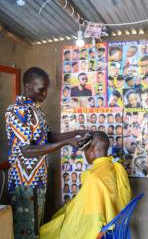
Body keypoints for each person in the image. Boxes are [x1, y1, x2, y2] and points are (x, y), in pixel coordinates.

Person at [5, 67, 88, 238]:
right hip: (24, 183)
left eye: (46, 89)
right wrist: (66, 142)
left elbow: (48, 137)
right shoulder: (17, 111)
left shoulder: (35, 110)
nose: (44, 94)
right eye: (40, 89)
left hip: (38, 179)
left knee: (36, 228)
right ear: (28, 87)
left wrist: (75, 133)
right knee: (26, 231)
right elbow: (26, 150)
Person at [39, 132, 132, 239]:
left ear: (91, 150)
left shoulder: (93, 176)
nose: (84, 154)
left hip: (102, 230)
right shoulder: (115, 167)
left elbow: (89, 217)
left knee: (49, 231)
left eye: (85, 150)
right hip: (116, 225)